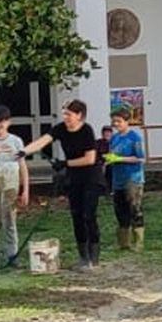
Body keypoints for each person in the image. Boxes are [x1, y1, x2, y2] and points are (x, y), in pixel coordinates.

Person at [18, 99, 102, 269]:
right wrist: (23, 151)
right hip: (74, 178)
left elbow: (90, 159)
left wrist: (65, 163)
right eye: (64, 114)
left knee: (88, 215)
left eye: (69, 114)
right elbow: (43, 141)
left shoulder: (86, 130)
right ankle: (83, 256)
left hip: (91, 178)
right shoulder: (60, 129)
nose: (65, 117)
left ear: (79, 115)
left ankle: (94, 255)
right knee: (76, 216)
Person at [0, 106, 28, 268]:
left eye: (2, 122)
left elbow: (23, 166)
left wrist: (25, 190)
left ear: (8, 122)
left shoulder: (16, 141)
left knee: (10, 219)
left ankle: (12, 254)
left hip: (11, 184)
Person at [105, 108, 145, 251]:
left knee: (134, 209)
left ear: (127, 121)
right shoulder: (114, 138)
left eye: (119, 121)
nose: (116, 124)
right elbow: (112, 154)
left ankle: (138, 242)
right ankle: (123, 243)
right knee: (120, 210)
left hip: (133, 178)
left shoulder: (135, 138)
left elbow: (140, 158)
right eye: (114, 121)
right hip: (117, 179)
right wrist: (109, 159)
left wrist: (119, 159)